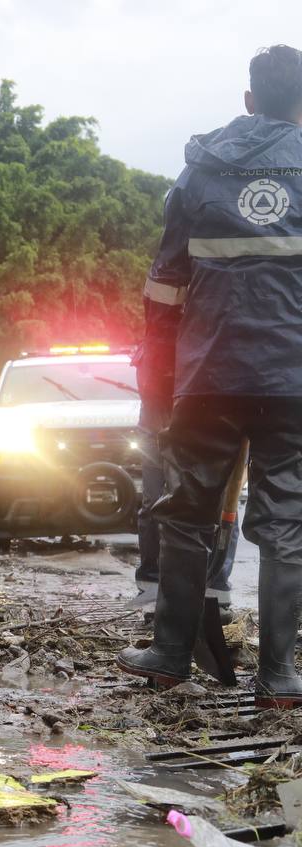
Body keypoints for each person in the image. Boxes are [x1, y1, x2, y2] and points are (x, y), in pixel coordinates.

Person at [118, 45, 302, 709]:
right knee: (286, 521)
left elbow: (163, 290)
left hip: (209, 372)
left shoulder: (201, 171)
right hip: (292, 380)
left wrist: (159, 388)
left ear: (249, 100)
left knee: (187, 512)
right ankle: (278, 675)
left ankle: (170, 655)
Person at [134, 360, 237, 622]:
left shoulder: (214, 332)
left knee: (223, 506)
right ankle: (153, 588)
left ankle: (216, 592)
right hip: (161, 409)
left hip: (210, 409)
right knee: (155, 504)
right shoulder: (165, 333)